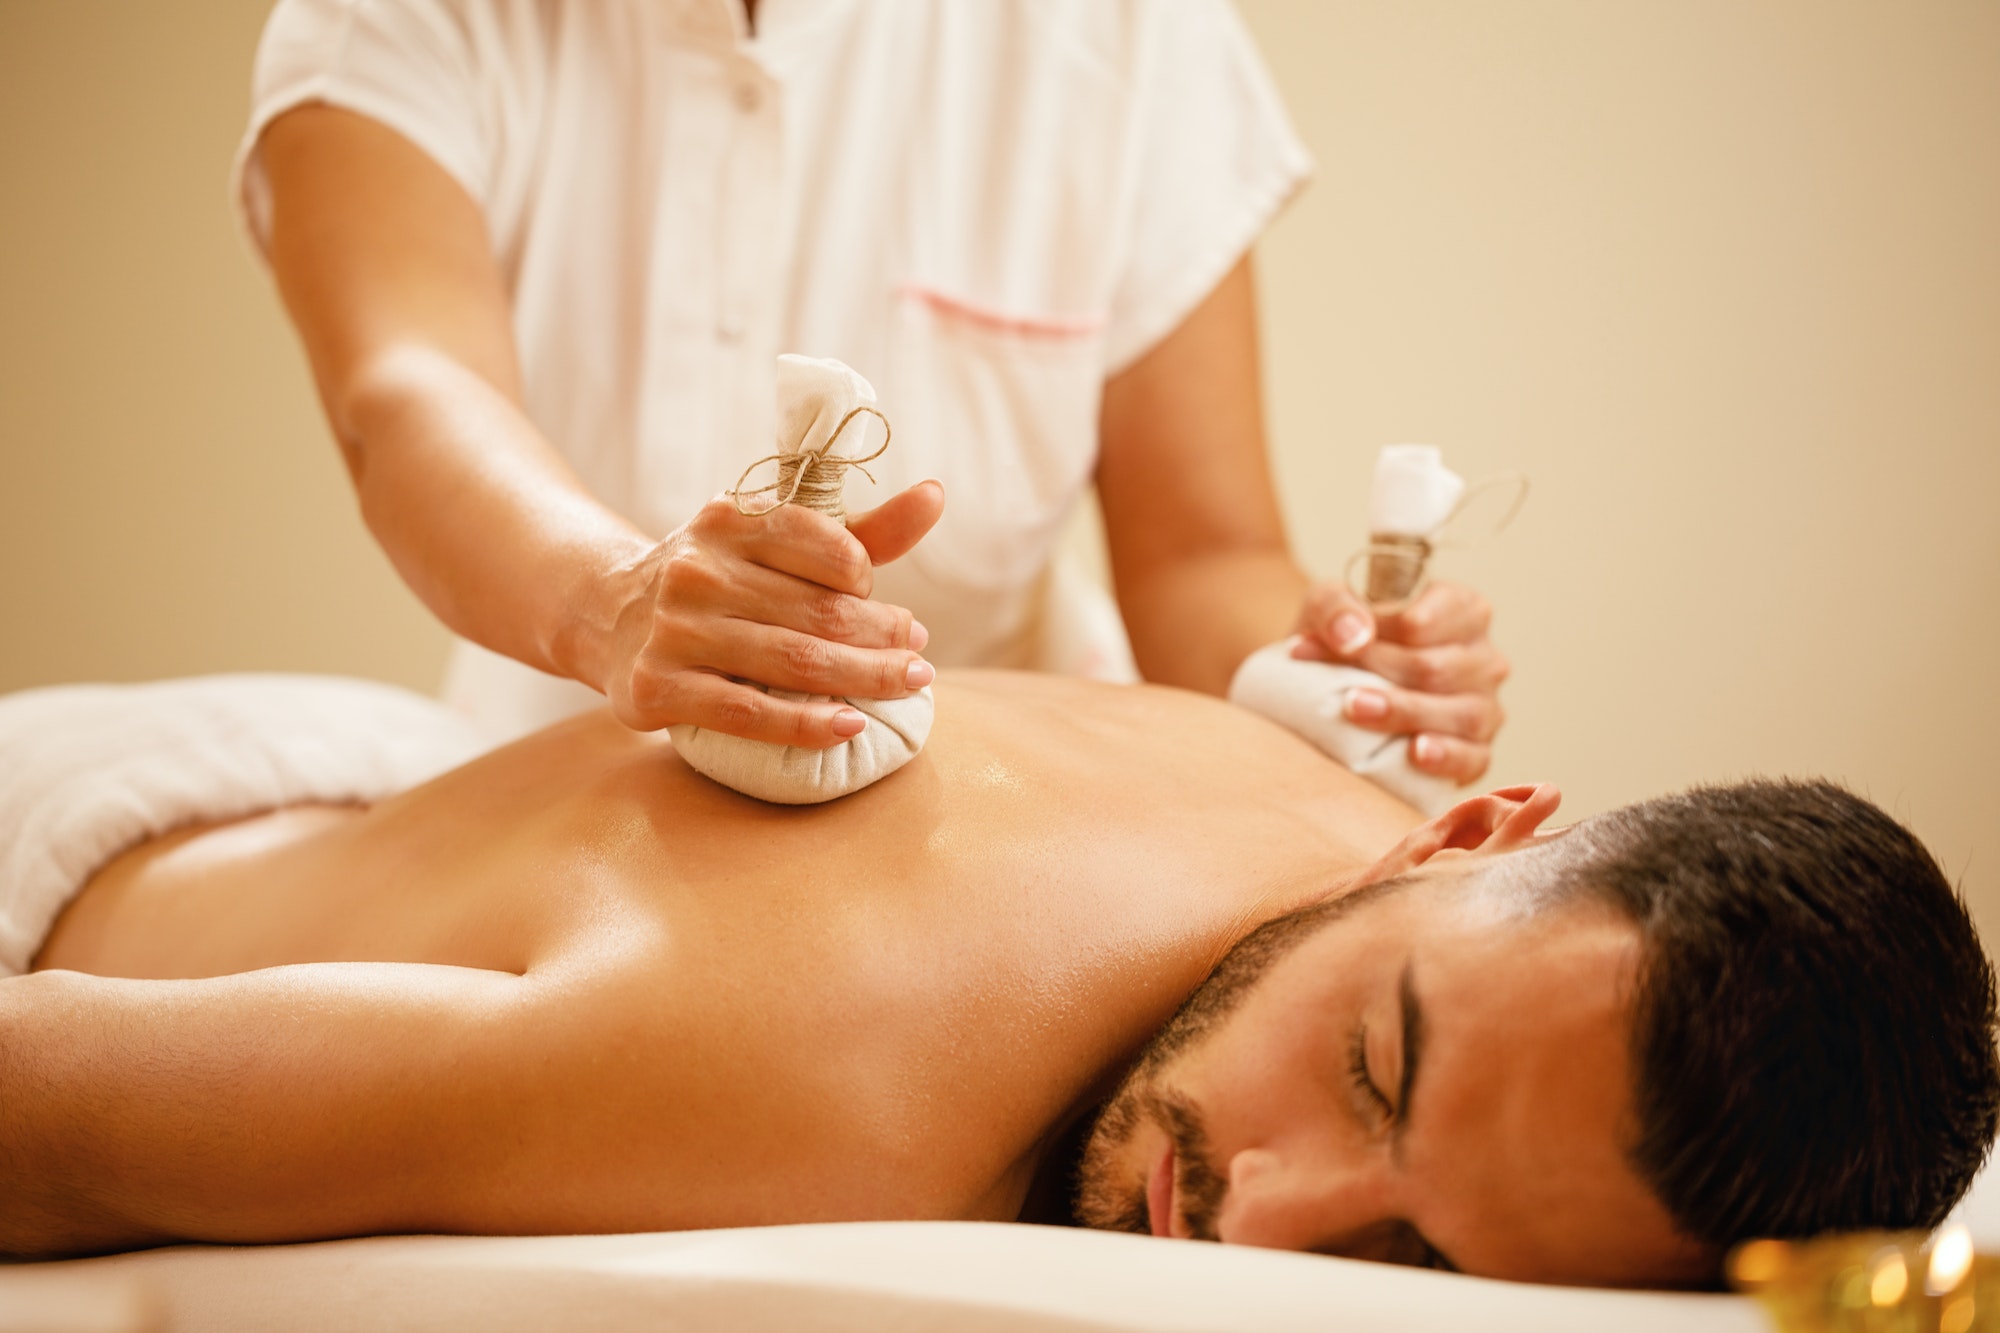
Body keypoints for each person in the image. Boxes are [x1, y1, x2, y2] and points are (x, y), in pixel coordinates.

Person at [5, 671, 1994, 1285]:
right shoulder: (805, 1093)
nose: (1264, 1220)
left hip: (368, 776)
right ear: (1469, 831)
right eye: (1377, 1074)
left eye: (1410, 1268)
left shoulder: (1327, 815)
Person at [234, 0, 1509, 779]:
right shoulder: (398, 15)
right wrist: (609, 604)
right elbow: (407, 394)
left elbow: (1200, 556)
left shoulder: (1123, 34)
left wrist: (1339, 672)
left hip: (1013, 812)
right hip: (554, 788)